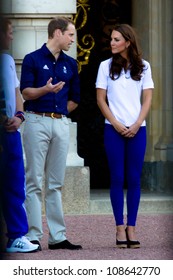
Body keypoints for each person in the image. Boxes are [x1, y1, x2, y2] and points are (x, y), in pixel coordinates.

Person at [20, 17, 82, 250]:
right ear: (57, 33)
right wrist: (45, 90)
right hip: (36, 121)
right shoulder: (32, 59)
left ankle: (57, 237)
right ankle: (34, 235)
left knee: (56, 183)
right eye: (70, 35)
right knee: (34, 180)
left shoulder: (71, 64)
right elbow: (25, 92)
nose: (72, 40)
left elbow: (75, 99)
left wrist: (59, 114)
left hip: (61, 123)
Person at [96, 24, 154, 248]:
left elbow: (147, 99)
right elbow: (101, 100)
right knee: (117, 178)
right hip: (113, 130)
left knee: (134, 179)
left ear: (128, 42)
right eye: (111, 39)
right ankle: (119, 227)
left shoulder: (145, 67)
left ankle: (132, 228)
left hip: (139, 129)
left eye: (116, 39)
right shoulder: (105, 66)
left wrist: (137, 123)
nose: (112, 42)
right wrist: (116, 123)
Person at [0, 17, 39, 253]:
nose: (12, 36)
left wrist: (19, 117)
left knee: (14, 185)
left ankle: (16, 236)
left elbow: (17, 98)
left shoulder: (7, 61)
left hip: (9, 134)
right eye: (9, 31)